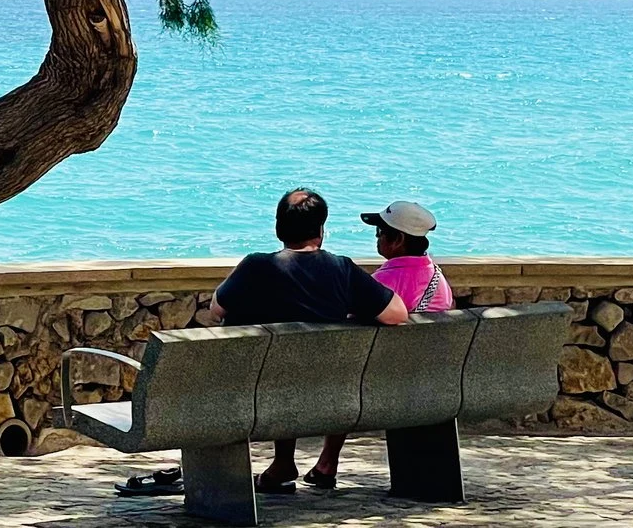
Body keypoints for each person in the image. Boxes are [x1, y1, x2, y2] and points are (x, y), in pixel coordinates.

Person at [118, 190, 404, 498]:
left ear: (279, 229)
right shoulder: (343, 270)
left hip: (252, 401)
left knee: (270, 370)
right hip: (328, 399)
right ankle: (282, 466)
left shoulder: (257, 267)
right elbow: (397, 313)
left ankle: (273, 467)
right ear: (321, 231)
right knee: (293, 370)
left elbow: (217, 310)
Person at [300, 200, 453, 490]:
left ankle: (327, 463)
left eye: (380, 232)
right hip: (435, 378)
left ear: (397, 240)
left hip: (385, 385)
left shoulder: (386, 280)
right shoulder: (437, 277)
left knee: (348, 375)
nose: (377, 238)